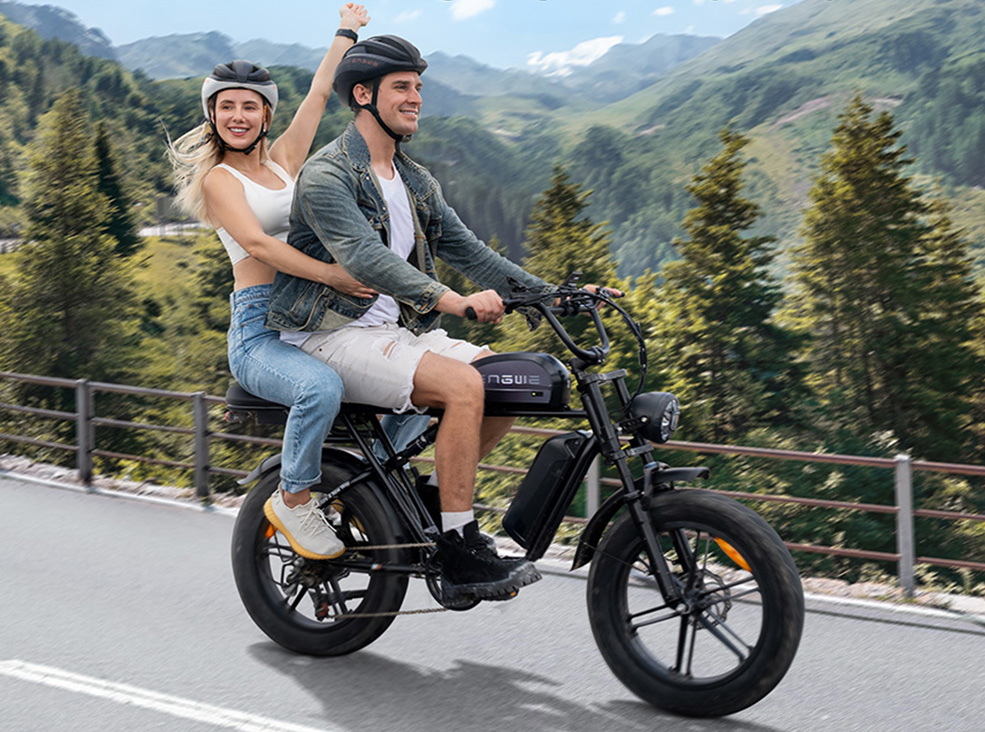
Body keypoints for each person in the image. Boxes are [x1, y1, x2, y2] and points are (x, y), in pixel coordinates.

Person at [265, 35, 599, 602]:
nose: (416, 97)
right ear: (363, 95)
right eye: (402, 86)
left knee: (508, 380)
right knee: (465, 385)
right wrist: (450, 299)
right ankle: (458, 545)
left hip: (394, 334)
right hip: (329, 334)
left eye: (418, 86)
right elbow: (364, 257)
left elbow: (471, 251)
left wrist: (555, 295)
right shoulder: (328, 175)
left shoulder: (416, 181)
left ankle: (434, 501)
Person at [168, 5, 391, 562]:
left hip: (312, 316)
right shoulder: (218, 180)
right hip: (259, 332)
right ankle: (293, 499)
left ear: (266, 114)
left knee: (408, 381)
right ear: (212, 116)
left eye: (249, 106)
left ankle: (383, 489)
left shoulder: (284, 162)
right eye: (226, 106)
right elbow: (261, 245)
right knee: (320, 389)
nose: (238, 116)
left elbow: (318, 94)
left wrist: (346, 32)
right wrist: (334, 274)